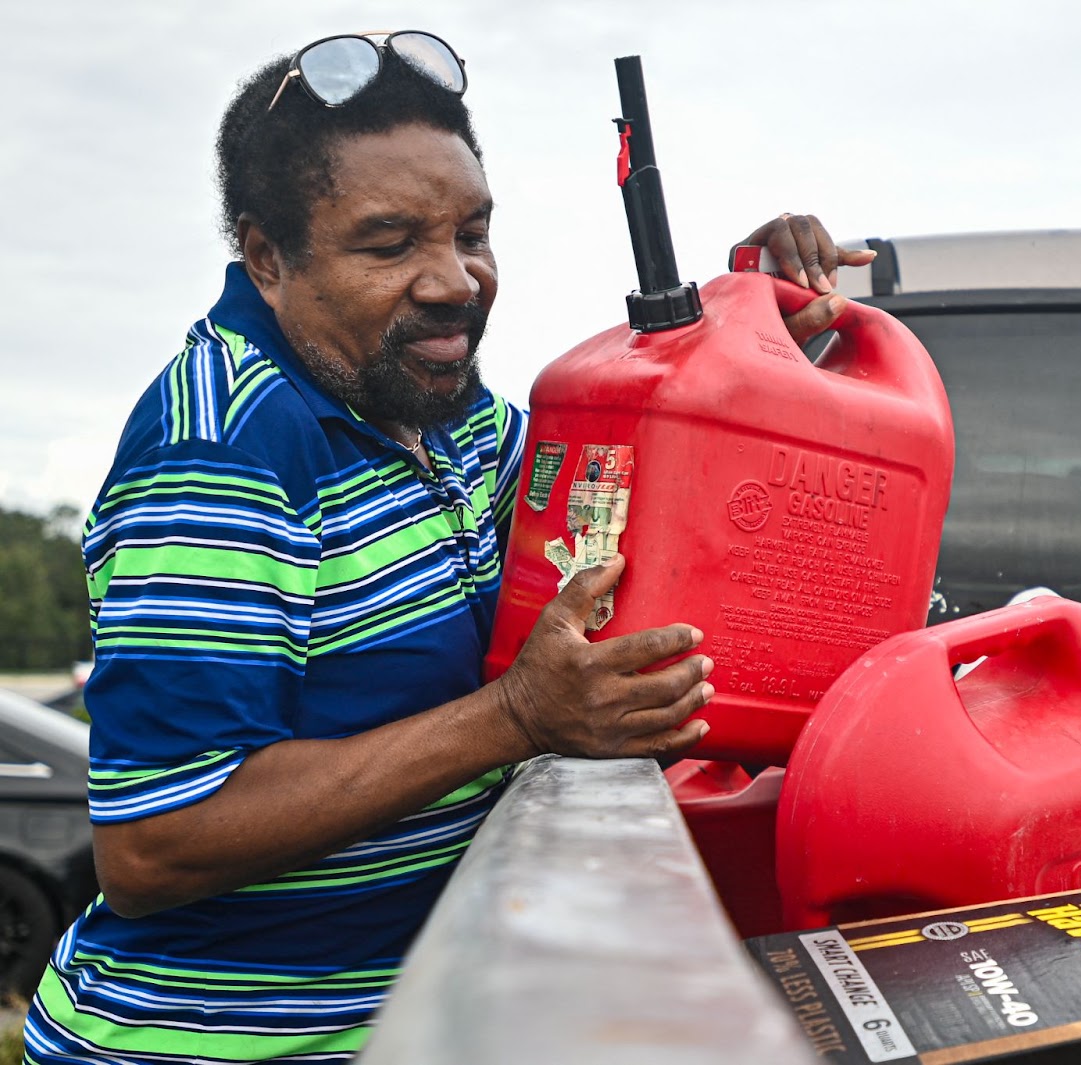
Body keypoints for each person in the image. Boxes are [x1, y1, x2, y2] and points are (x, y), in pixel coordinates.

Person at [24, 31, 872, 1064]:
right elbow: (154, 844)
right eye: (389, 245)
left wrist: (746, 317)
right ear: (266, 257)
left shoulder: (453, 416)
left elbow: (649, 517)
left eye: (472, 232)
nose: (454, 281)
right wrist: (514, 717)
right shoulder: (223, 446)